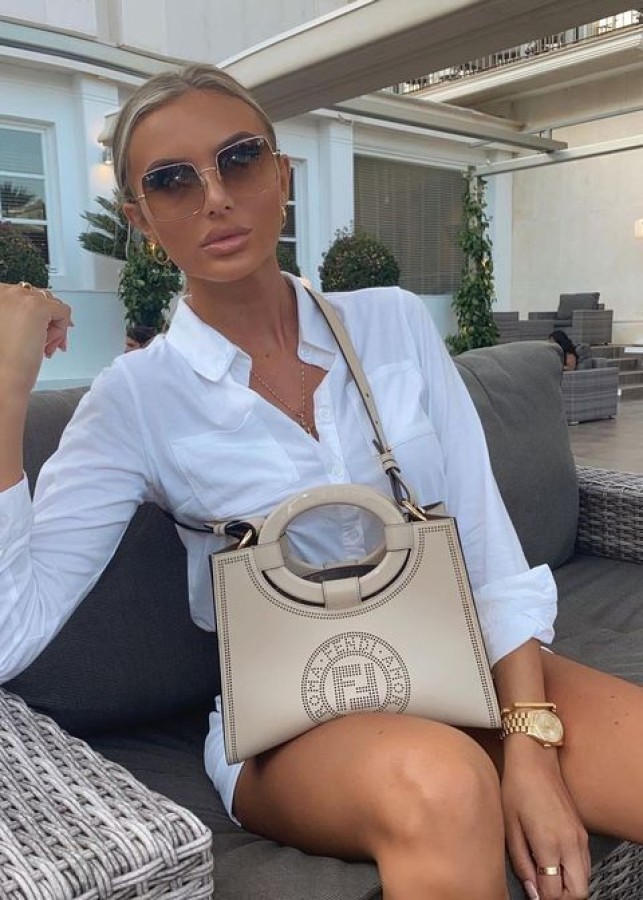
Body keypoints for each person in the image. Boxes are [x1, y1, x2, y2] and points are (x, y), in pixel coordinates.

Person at [1, 64, 642, 900]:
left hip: (460, 659)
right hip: (290, 718)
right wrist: (6, 390)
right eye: (171, 180)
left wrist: (529, 746)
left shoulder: (391, 323)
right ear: (140, 219)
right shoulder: (136, 399)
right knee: (440, 783)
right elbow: (11, 632)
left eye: (238, 159)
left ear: (281, 175)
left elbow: (486, 546)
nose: (215, 197)